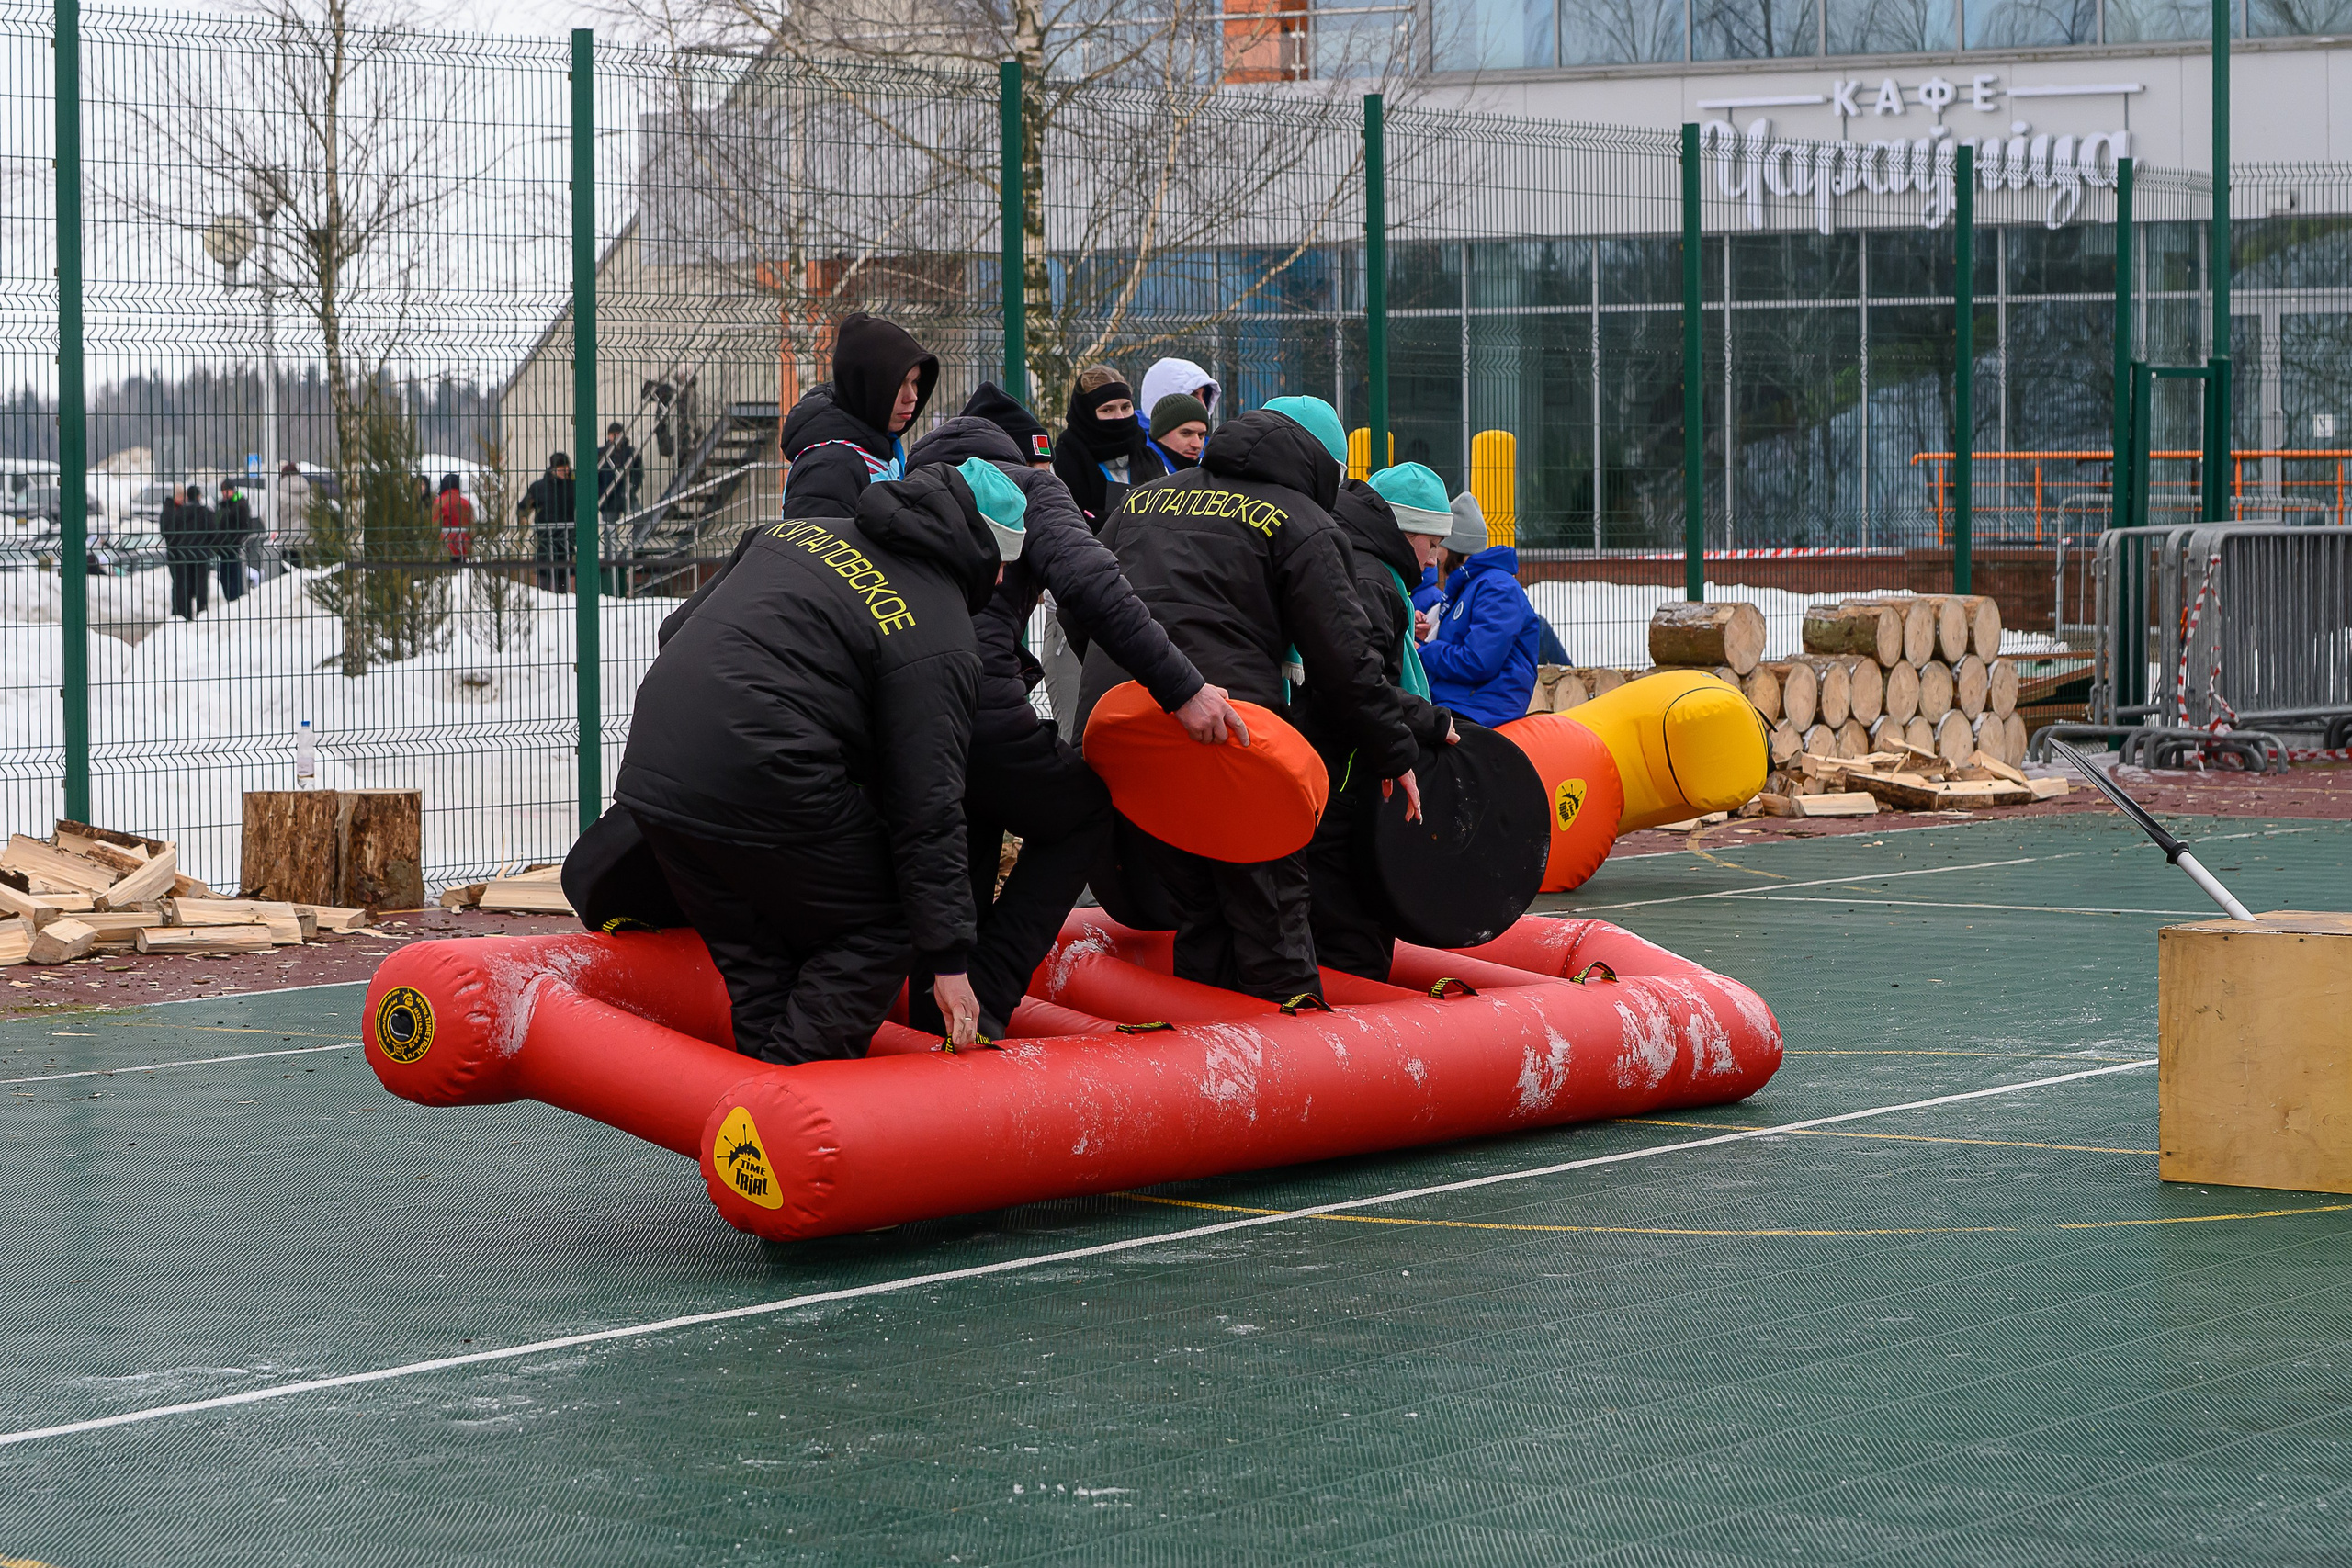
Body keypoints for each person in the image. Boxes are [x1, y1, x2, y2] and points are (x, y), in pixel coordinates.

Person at [613, 456, 1025, 1062]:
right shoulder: (940, 632)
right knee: (884, 924)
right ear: (986, 553)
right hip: (762, 766)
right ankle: (789, 1108)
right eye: (1004, 569)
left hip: (654, 766)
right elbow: (928, 806)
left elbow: (677, 629)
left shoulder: (796, 532)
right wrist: (948, 957)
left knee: (762, 958)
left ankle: (752, 1132)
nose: (999, 586)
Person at [903, 384, 1245, 1040]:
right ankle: (992, 994)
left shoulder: (905, 489)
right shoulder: (1029, 488)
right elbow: (1089, 585)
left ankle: (933, 1029)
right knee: (1082, 806)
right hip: (977, 700)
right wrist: (1182, 689)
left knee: (962, 834)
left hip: (901, 713)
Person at [1075, 393, 1420, 1004]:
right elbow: (1345, 664)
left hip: (1123, 722)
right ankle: (1299, 1087)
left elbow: (1084, 599)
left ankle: (1211, 1077)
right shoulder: (1302, 520)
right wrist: (1393, 750)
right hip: (1228, 732)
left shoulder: (1148, 498)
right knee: (1273, 920)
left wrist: (1125, 684)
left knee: (1199, 911)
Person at [1300, 461, 1460, 984]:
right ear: (1400, 529)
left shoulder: (1363, 565)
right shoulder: (1373, 578)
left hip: (1339, 768)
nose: (1434, 558)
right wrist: (1427, 720)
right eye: (1429, 542)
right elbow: (1354, 678)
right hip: (1347, 775)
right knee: (1353, 926)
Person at [1418, 489, 1542, 728]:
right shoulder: (1469, 586)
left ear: (1455, 546)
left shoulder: (1497, 587)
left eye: (1437, 545)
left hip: (1481, 710)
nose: (1434, 557)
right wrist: (1428, 633)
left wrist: (1423, 651)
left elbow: (1478, 661)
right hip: (1464, 704)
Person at [1052, 365, 1152, 527]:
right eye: (1107, 410)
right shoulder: (1062, 463)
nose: (1120, 417)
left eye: (1125, 407)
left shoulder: (1148, 456)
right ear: (1087, 415)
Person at [518, 452, 575, 592]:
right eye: (562, 469)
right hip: (545, 537)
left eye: (566, 468)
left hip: (567, 537)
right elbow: (524, 506)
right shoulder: (539, 487)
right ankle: (543, 597)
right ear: (553, 469)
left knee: (566, 570)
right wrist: (523, 518)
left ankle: (567, 598)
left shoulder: (573, 486)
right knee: (544, 571)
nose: (565, 471)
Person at [162, 483, 208, 620]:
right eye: (183, 496)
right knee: (180, 585)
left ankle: (183, 613)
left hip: (182, 553)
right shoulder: (172, 511)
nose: (185, 499)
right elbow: (169, 532)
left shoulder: (179, 511)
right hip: (177, 554)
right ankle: (180, 612)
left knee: (185, 585)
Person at [1145, 393, 1210, 475]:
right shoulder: (1137, 471)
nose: (1196, 445)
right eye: (1186, 433)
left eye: (1201, 435)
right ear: (1160, 434)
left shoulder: (1209, 474)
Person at [215, 479, 255, 603]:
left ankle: (236, 601)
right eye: (223, 491)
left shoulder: (240, 505)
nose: (225, 494)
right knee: (224, 577)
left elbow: (245, 526)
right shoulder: (222, 506)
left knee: (235, 577)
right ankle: (230, 600)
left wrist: (237, 541)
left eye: (227, 491)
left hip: (234, 548)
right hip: (223, 548)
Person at [597, 422, 642, 526]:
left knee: (639, 518)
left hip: (626, 494)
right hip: (608, 497)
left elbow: (638, 473)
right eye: (613, 434)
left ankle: (637, 542)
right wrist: (600, 493)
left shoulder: (631, 452)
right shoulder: (600, 453)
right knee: (609, 528)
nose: (616, 437)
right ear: (609, 436)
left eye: (619, 434)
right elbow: (596, 476)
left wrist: (631, 488)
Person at [435, 473, 474, 560]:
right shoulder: (466, 503)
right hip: (463, 545)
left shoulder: (439, 503)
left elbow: (433, 523)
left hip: (445, 545)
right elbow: (471, 524)